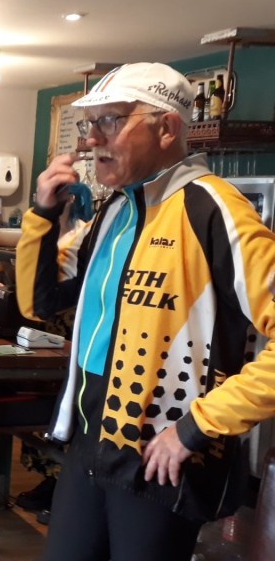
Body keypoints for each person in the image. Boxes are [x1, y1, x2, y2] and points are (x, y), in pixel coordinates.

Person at [16, 62, 275, 561]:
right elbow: (39, 301)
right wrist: (44, 214)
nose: (92, 139)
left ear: (167, 128)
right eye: (89, 124)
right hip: (91, 444)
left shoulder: (214, 209)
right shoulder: (114, 211)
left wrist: (196, 427)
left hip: (162, 456)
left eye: (110, 120)